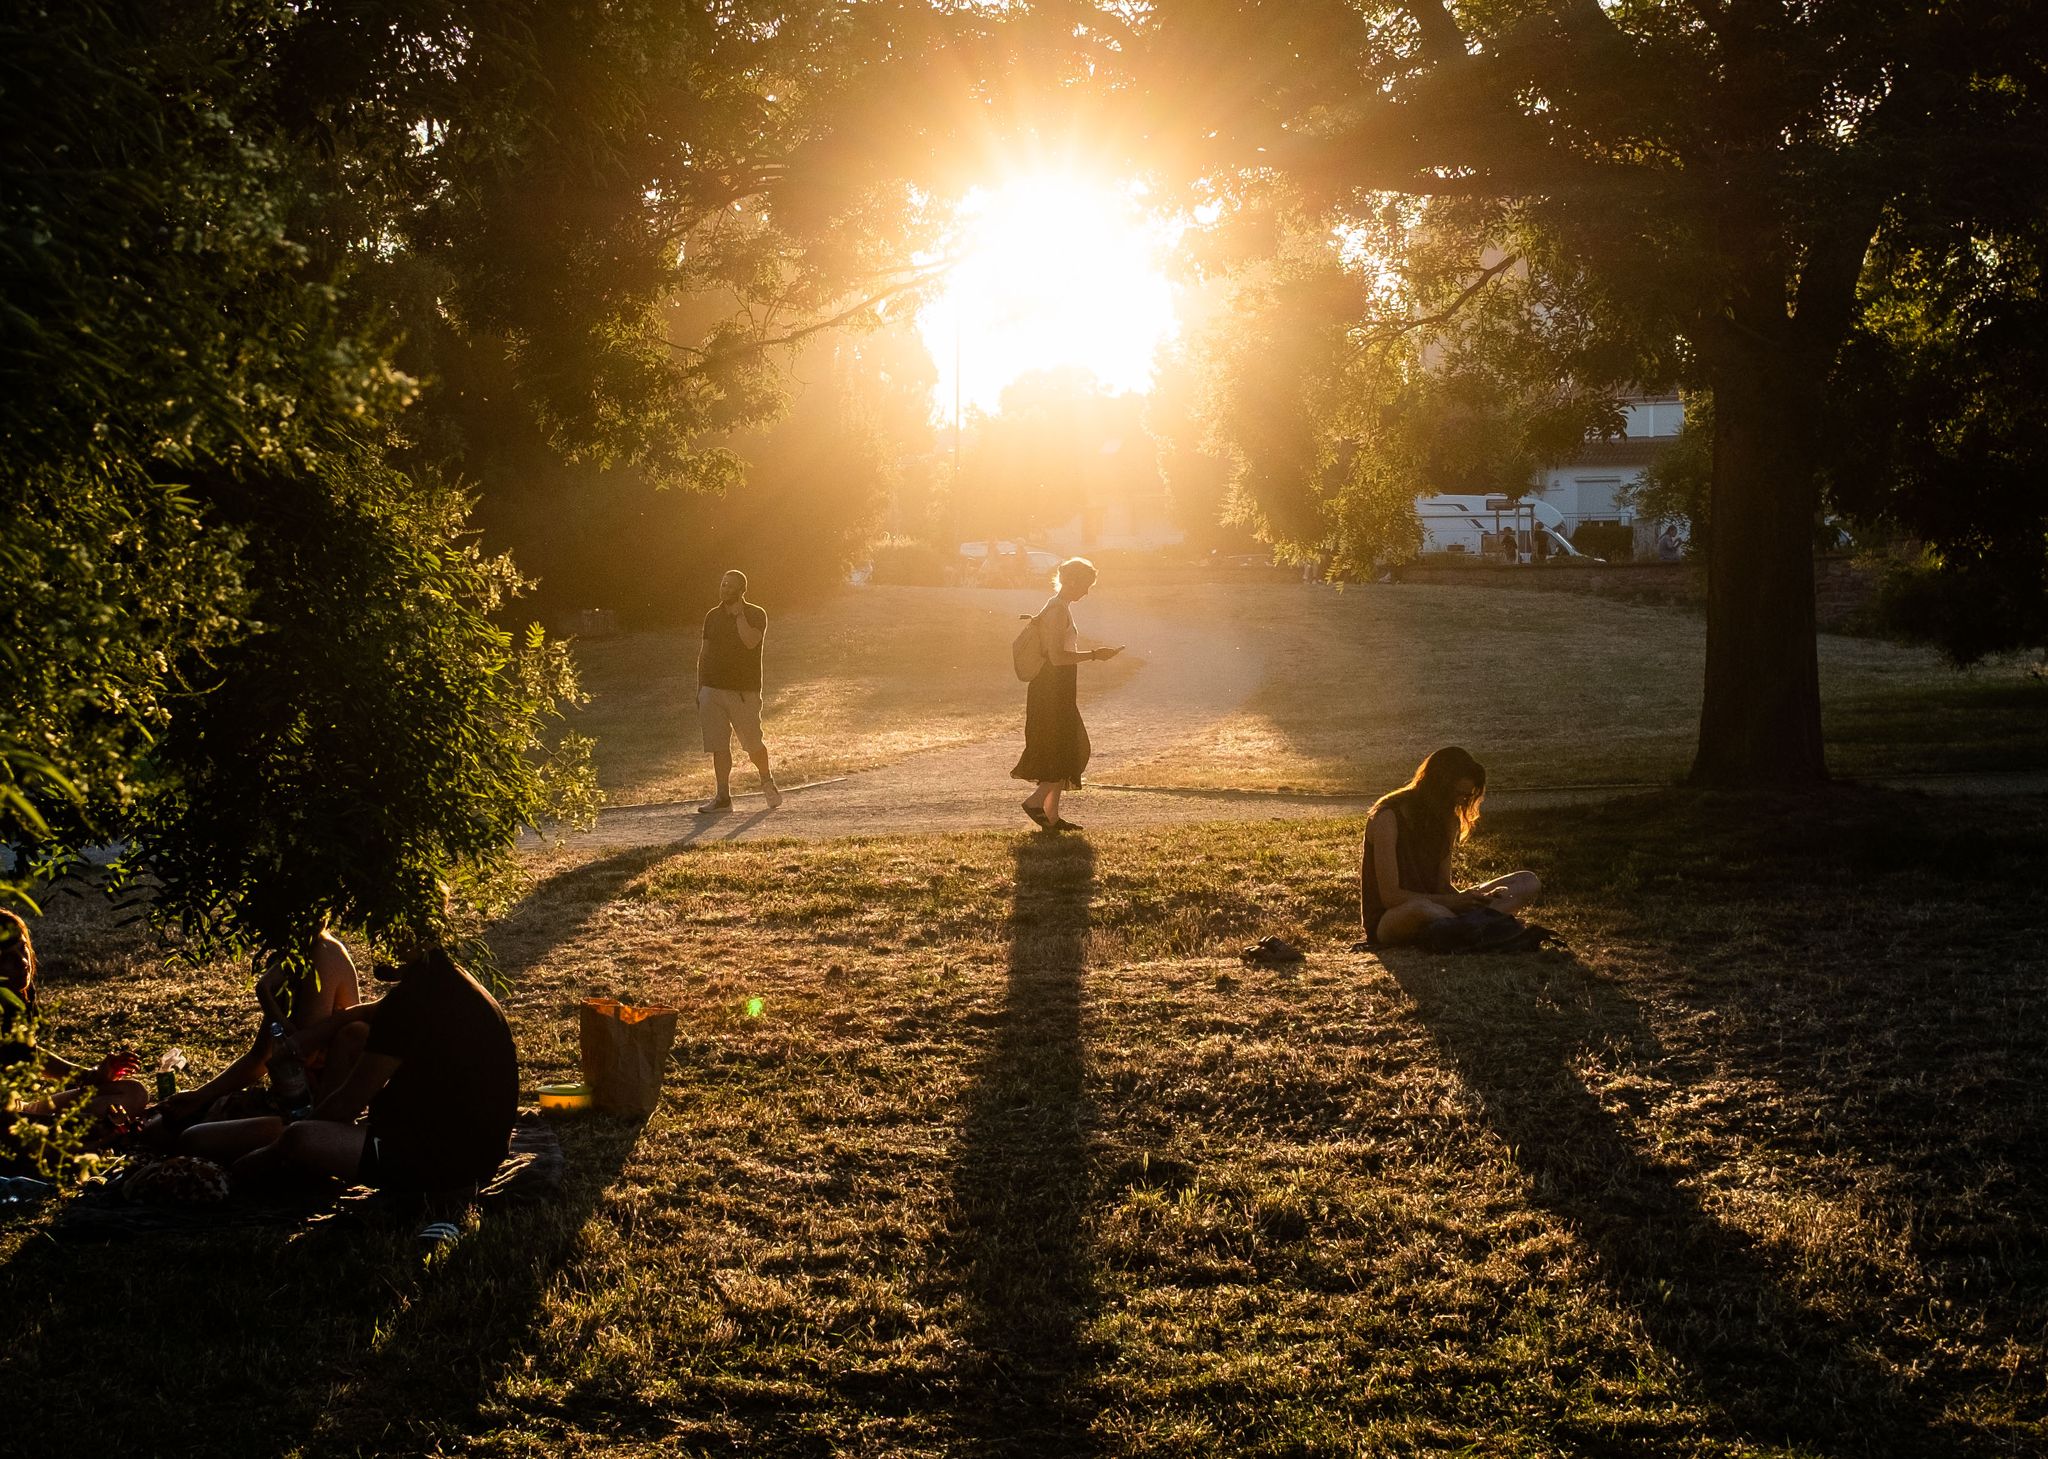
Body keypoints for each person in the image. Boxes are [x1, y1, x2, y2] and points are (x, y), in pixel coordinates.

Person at [230, 941, 518, 1198]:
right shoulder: (443, 978)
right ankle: (321, 1140)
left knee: (300, 1139)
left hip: (446, 1167)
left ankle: (288, 1159)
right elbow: (366, 1013)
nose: (377, 949)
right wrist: (307, 1040)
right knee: (354, 1034)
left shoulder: (411, 1002)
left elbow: (345, 1104)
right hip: (476, 1150)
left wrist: (273, 1151)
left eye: (385, 937)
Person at [149, 929, 363, 1155]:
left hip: (311, 1113)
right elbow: (260, 1056)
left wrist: (266, 995)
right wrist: (200, 1095)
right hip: (286, 1101)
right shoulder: (294, 959)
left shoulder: (323, 955)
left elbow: (299, 1053)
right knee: (156, 1130)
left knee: (194, 1140)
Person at [1358, 747, 1541, 946]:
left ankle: (1469, 926)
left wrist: (1474, 899)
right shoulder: (1387, 817)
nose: (1461, 802)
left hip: (1441, 910)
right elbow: (1390, 897)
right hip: (1393, 918)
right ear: (1438, 787)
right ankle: (1481, 926)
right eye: (1458, 794)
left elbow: (1442, 886)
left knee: (1527, 881)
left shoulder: (1448, 820)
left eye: (1467, 797)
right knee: (1422, 909)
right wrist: (1456, 903)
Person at [1, 908, 149, 1132]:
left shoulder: (16, 999)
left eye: (23, 949)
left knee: (133, 1093)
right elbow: (26, 1055)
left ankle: (76, 1133)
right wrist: (90, 1076)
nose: (23, 962)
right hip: (7, 1123)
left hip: (20, 1110)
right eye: (6, 958)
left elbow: (28, 1054)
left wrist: (95, 1076)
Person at [1014, 557, 1121, 832]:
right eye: (1085, 585)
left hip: (1057, 687)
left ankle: (1051, 817)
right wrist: (1096, 655)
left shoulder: (1059, 607)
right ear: (1072, 582)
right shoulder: (1057, 610)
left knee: (1061, 747)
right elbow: (1057, 657)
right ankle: (1036, 803)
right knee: (1065, 748)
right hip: (1051, 687)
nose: (1086, 592)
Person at [695, 568, 782, 814]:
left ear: (741, 590)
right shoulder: (712, 616)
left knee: (753, 743)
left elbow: (750, 642)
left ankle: (766, 781)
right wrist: (700, 690)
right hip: (712, 690)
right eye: (723, 584)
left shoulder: (756, 614)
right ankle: (723, 797)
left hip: (744, 692)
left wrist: (739, 616)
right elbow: (704, 653)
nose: (724, 588)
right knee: (718, 745)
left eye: (730, 585)